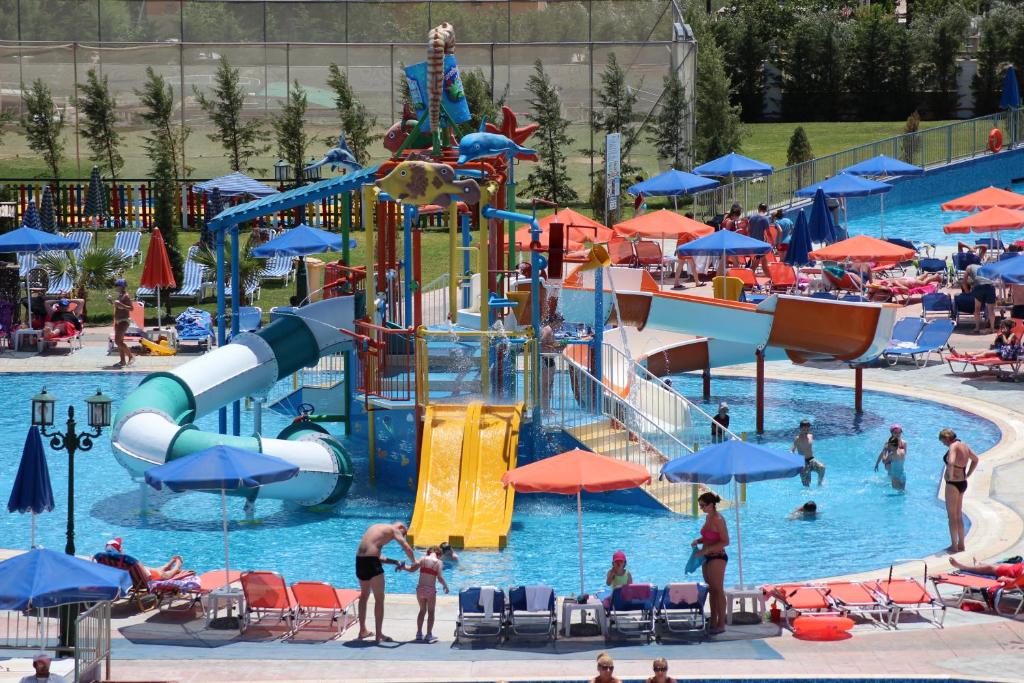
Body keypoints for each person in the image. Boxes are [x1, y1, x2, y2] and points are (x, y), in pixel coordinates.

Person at [354, 521, 415, 643]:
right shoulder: (394, 529)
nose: (401, 537)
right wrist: (415, 561)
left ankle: (362, 631)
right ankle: (379, 635)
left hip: (360, 560)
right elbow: (407, 548)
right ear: (401, 527)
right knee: (379, 599)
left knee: (364, 596)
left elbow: (376, 556)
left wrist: (395, 562)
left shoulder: (376, 528)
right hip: (371, 561)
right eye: (403, 534)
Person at [691, 491, 729, 635]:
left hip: (717, 556)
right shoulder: (708, 517)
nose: (701, 508)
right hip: (707, 557)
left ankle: (721, 624)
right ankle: (713, 620)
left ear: (711, 505)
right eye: (700, 505)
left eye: (703, 505)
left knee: (718, 590)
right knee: (712, 590)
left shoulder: (718, 519)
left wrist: (706, 550)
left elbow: (725, 541)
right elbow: (710, 537)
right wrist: (699, 541)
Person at [399, 545, 449, 643]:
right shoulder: (439, 562)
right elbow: (439, 578)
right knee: (431, 612)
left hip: (420, 589)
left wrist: (403, 567)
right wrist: (445, 586)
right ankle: (429, 635)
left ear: (429, 552)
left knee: (422, 610)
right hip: (430, 590)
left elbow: (412, 569)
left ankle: (419, 633)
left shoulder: (422, 559)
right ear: (438, 554)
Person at [939, 429, 978, 553]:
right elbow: (975, 459)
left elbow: (951, 462)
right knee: (958, 515)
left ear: (947, 438)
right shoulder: (964, 445)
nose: (943, 444)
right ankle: (961, 544)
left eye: (943, 441)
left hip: (953, 484)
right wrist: (968, 474)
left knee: (952, 516)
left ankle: (954, 546)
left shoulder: (953, 446)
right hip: (962, 482)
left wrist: (950, 476)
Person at [97, 538, 186, 581]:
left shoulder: (103, 559)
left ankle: (167, 566)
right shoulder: (127, 560)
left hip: (130, 578)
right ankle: (176, 567)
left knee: (153, 569)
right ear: (120, 549)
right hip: (141, 579)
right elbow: (144, 572)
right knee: (163, 574)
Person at [108, 279, 135, 368]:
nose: (116, 287)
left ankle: (131, 356)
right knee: (120, 342)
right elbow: (118, 306)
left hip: (124, 321)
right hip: (118, 321)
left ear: (122, 287)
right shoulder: (120, 296)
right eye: (115, 285)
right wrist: (112, 302)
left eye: (117, 285)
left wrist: (121, 304)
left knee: (117, 341)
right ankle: (122, 361)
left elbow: (131, 308)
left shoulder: (126, 296)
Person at [963, 262, 996, 334]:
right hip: (990, 286)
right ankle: (992, 328)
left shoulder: (968, 267)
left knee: (977, 309)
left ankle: (977, 328)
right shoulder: (982, 267)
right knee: (991, 310)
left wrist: (967, 292)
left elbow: (964, 282)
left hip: (979, 286)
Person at [540, 313, 562, 414]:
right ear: (555, 321)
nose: (560, 325)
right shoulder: (548, 330)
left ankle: (547, 409)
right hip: (546, 360)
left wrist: (557, 346)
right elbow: (541, 343)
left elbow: (548, 344)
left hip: (549, 360)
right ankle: (545, 409)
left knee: (549, 386)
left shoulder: (550, 330)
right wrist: (555, 346)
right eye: (560, 322)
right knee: (546, 386)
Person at [792, 419, 825, 486]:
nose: (806, 431)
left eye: (807, 429)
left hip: (811, 459)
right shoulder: (797, 439)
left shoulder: (810, 436)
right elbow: (792, 450)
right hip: (803, 462)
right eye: (804, 429)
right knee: (806, 484)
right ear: (800, 428)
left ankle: (819, 483)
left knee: (822, 467)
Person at [949, 556, 1024, 586]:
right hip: (1017, 569)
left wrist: (1006, 579)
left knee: (990, 568)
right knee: (1000, 565)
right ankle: (980, 565)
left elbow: (1017, 581)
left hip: (1011, 572)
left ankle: (963, 567)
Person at [875, 424, 907, 491]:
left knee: (893, 482)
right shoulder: (888, 442)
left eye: (899, 432)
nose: (898, 434)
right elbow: (882, 453)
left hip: (895, 463)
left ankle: (887, 483)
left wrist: (893, 457)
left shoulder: (904, 443)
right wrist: (877, 463)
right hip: (891, 464)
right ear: (891, 433)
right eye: (895, 432)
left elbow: (903, 456)